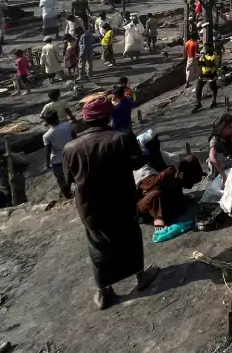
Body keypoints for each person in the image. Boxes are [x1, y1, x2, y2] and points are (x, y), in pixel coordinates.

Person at [62, 95, 159, 310]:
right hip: (121, 201)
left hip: (90, 207)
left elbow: (68, 180)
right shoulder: (122, 138)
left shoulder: (70, 147)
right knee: (130, 238)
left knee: (97, 244)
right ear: (108, 116)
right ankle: (141, 277)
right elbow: (137, 163)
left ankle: (103, 291)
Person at [134, 130, 203, 226]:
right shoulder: (140, 165)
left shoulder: (158, 154)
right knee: (157, 191)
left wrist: (178, 168)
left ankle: (178, 200)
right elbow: (152, 184)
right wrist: (171, 170)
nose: (156, 145)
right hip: (149, 200)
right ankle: (158, 218)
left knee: (190, 160)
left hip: (166, 191)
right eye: (152, 144)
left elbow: (175, 159)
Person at [42, 109, 73, 199]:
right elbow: (75, 136)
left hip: (58, 160)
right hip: (71, 154)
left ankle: (67, 196)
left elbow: (47, 150)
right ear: (57, 117)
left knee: (61, 180)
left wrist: (47, 162)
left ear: (47, 122)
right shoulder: (67, 125)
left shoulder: (47, 135)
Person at [207, 113, 232, 185]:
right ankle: (217, 178)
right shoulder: (215, 139)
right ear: (222, 127)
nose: (231, 129)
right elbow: (212, 158)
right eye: (228, 127)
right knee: (217, 157)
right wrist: (222, 174)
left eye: (231, 127)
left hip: (231, 161)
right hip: (221, 166)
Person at [192, 42, 220, 113]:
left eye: (207, 48)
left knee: (213, 87)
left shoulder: (214, 56)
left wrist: (204, 58)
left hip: (211, 75)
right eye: (205, 48)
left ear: (210, 48)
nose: (206, 49)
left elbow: (210, 65)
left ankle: (214, 100)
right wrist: (198, 58)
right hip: (204, 75)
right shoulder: (204, 55)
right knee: (198, 89)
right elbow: (200, 63)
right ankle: (198, 103)